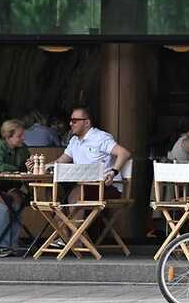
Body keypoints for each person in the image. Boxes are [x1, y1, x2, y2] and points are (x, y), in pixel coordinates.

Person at [50, 106, 132, 248]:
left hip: (107, 186)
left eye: (75, 121)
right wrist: (43, 166)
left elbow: (124, 153)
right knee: (53, 193)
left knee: (76, 193)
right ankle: (64, 236)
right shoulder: (74, 140)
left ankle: (75, 242)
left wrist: (113, 172)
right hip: (83, 185)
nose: (70, 124)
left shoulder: (100, 137)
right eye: (70, 120)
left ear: (86, 123)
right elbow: (61, 160)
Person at [0, 119, 32, 257]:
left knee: (18, 204)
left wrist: (29, 166)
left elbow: (26, 166)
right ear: (8, 136)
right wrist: (17, 169)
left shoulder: (22, 148)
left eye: (23, 135)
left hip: (12, 187)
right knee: (4, 206)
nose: (23, 138)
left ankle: (12, 245)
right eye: (19, 136)